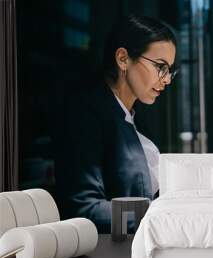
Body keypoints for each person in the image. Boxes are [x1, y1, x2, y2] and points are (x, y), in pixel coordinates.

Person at [54, 15, 177, 233]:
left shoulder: (134, 118)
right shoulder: (87, 115)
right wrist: (161, 217)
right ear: (123, 58)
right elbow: (83, 209)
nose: (166, 79)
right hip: (114, 255)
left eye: (169, 70)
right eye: (160, 67)